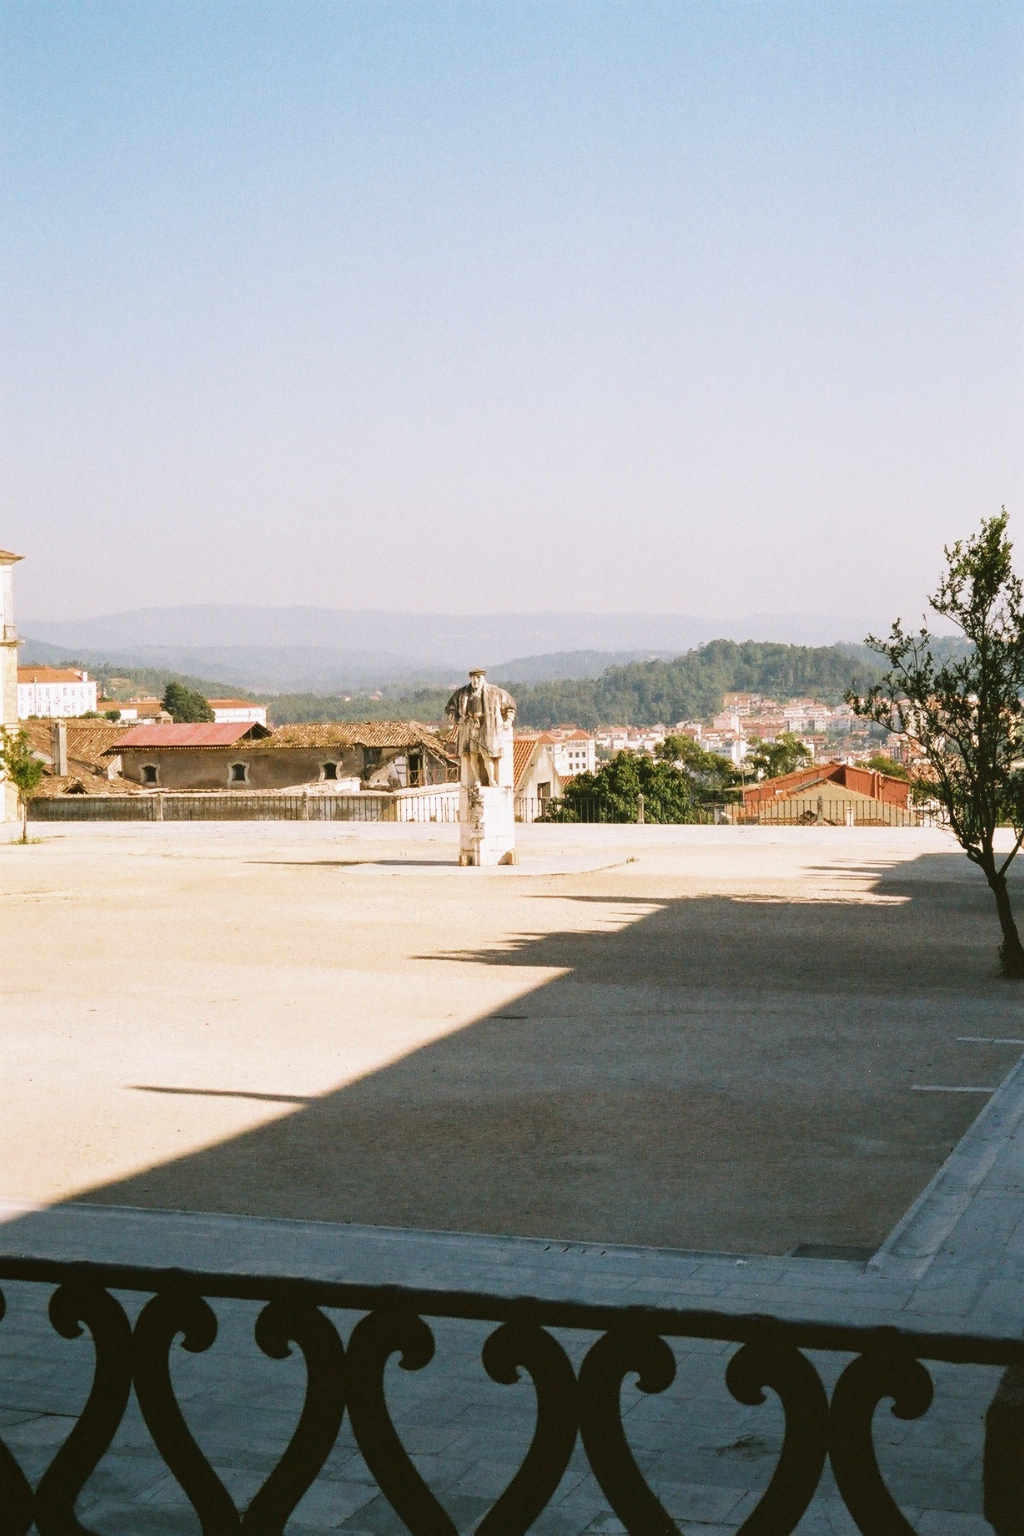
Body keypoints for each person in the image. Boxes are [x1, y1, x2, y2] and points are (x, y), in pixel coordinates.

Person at [444, 669, 517, 787]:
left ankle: (492, 780)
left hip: (487, 728)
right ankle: (477, 780)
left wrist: (508, 721)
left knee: (487, 755)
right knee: (472, 755)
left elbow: (510, 706)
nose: (475, 681)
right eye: (473, 678)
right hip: (470, 727)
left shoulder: (495, 692)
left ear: (483, 678)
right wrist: (457, 720)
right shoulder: (462, 694)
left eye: (478, 678)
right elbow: (450, 708)